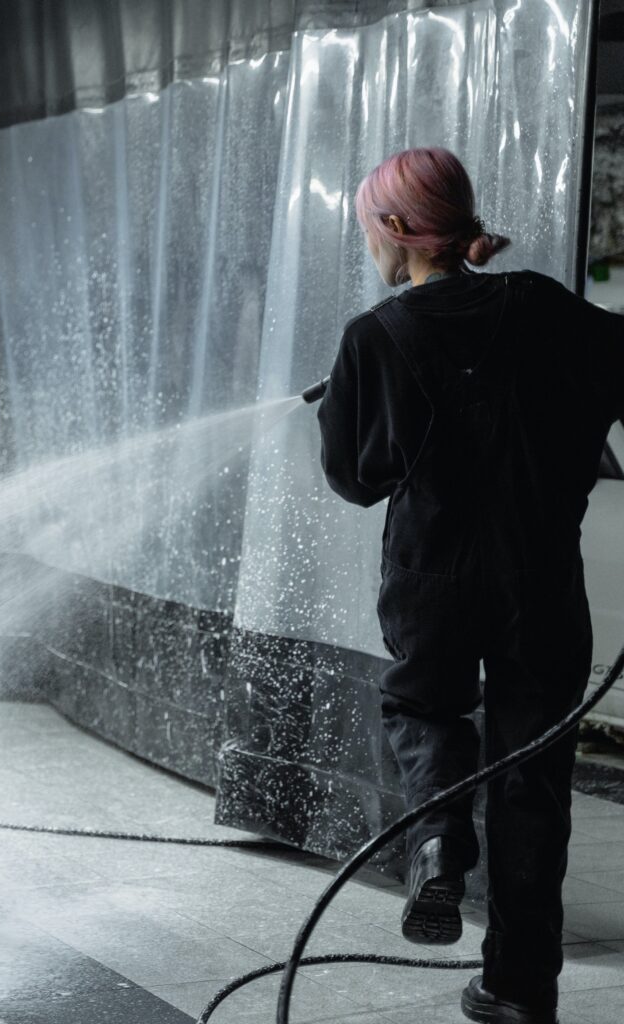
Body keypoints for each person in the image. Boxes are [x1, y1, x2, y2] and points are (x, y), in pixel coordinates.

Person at [317, 146, 624, 1024]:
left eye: (369, 229)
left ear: (396, 232)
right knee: (533, 778)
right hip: (542, 581)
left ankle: (441, 846)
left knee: (423, 712)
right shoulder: (545, 307)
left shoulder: (375, 337)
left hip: (433, 579)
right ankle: (519, 989)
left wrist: (361, 391)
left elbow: (355, 477)